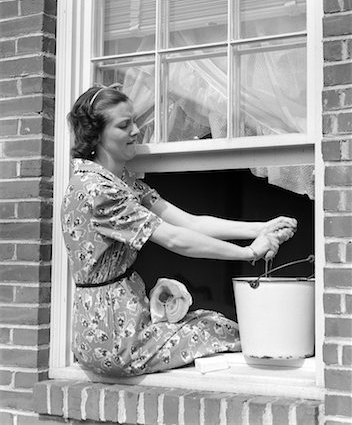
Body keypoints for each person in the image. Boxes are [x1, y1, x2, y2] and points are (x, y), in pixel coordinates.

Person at [61, 85, 297, 377]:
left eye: (134, 121)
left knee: (216, 325)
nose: (136, 130)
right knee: (221, 329)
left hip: (109, 333)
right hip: (116, 342)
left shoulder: (121, 185)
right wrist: (248, 252)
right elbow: (174, 238)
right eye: (124, 125)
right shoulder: (100, 191)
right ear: (96, 135)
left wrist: (260, 228)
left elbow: (189, 223)